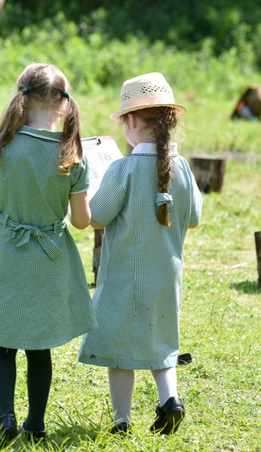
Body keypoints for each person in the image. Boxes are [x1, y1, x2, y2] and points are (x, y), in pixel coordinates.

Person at [0, 63, 97, 443]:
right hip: (50, 258)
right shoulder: (72, 155)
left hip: (6, 251)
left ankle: (5, 415)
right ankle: (35, 424)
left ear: (21, 98)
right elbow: (82, 221)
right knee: (39, 344)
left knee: (2, 339)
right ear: (63, 105)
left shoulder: (2, 146)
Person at [77, 72, 202, 436]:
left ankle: (121, 421)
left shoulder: (123, 169)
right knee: (161, 339)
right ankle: (170, 400)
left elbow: (97, 217)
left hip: (124, 278)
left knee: (120, 348)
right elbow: (193, 219)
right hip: (168, 277)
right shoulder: (183, 169)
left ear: (130, 121)